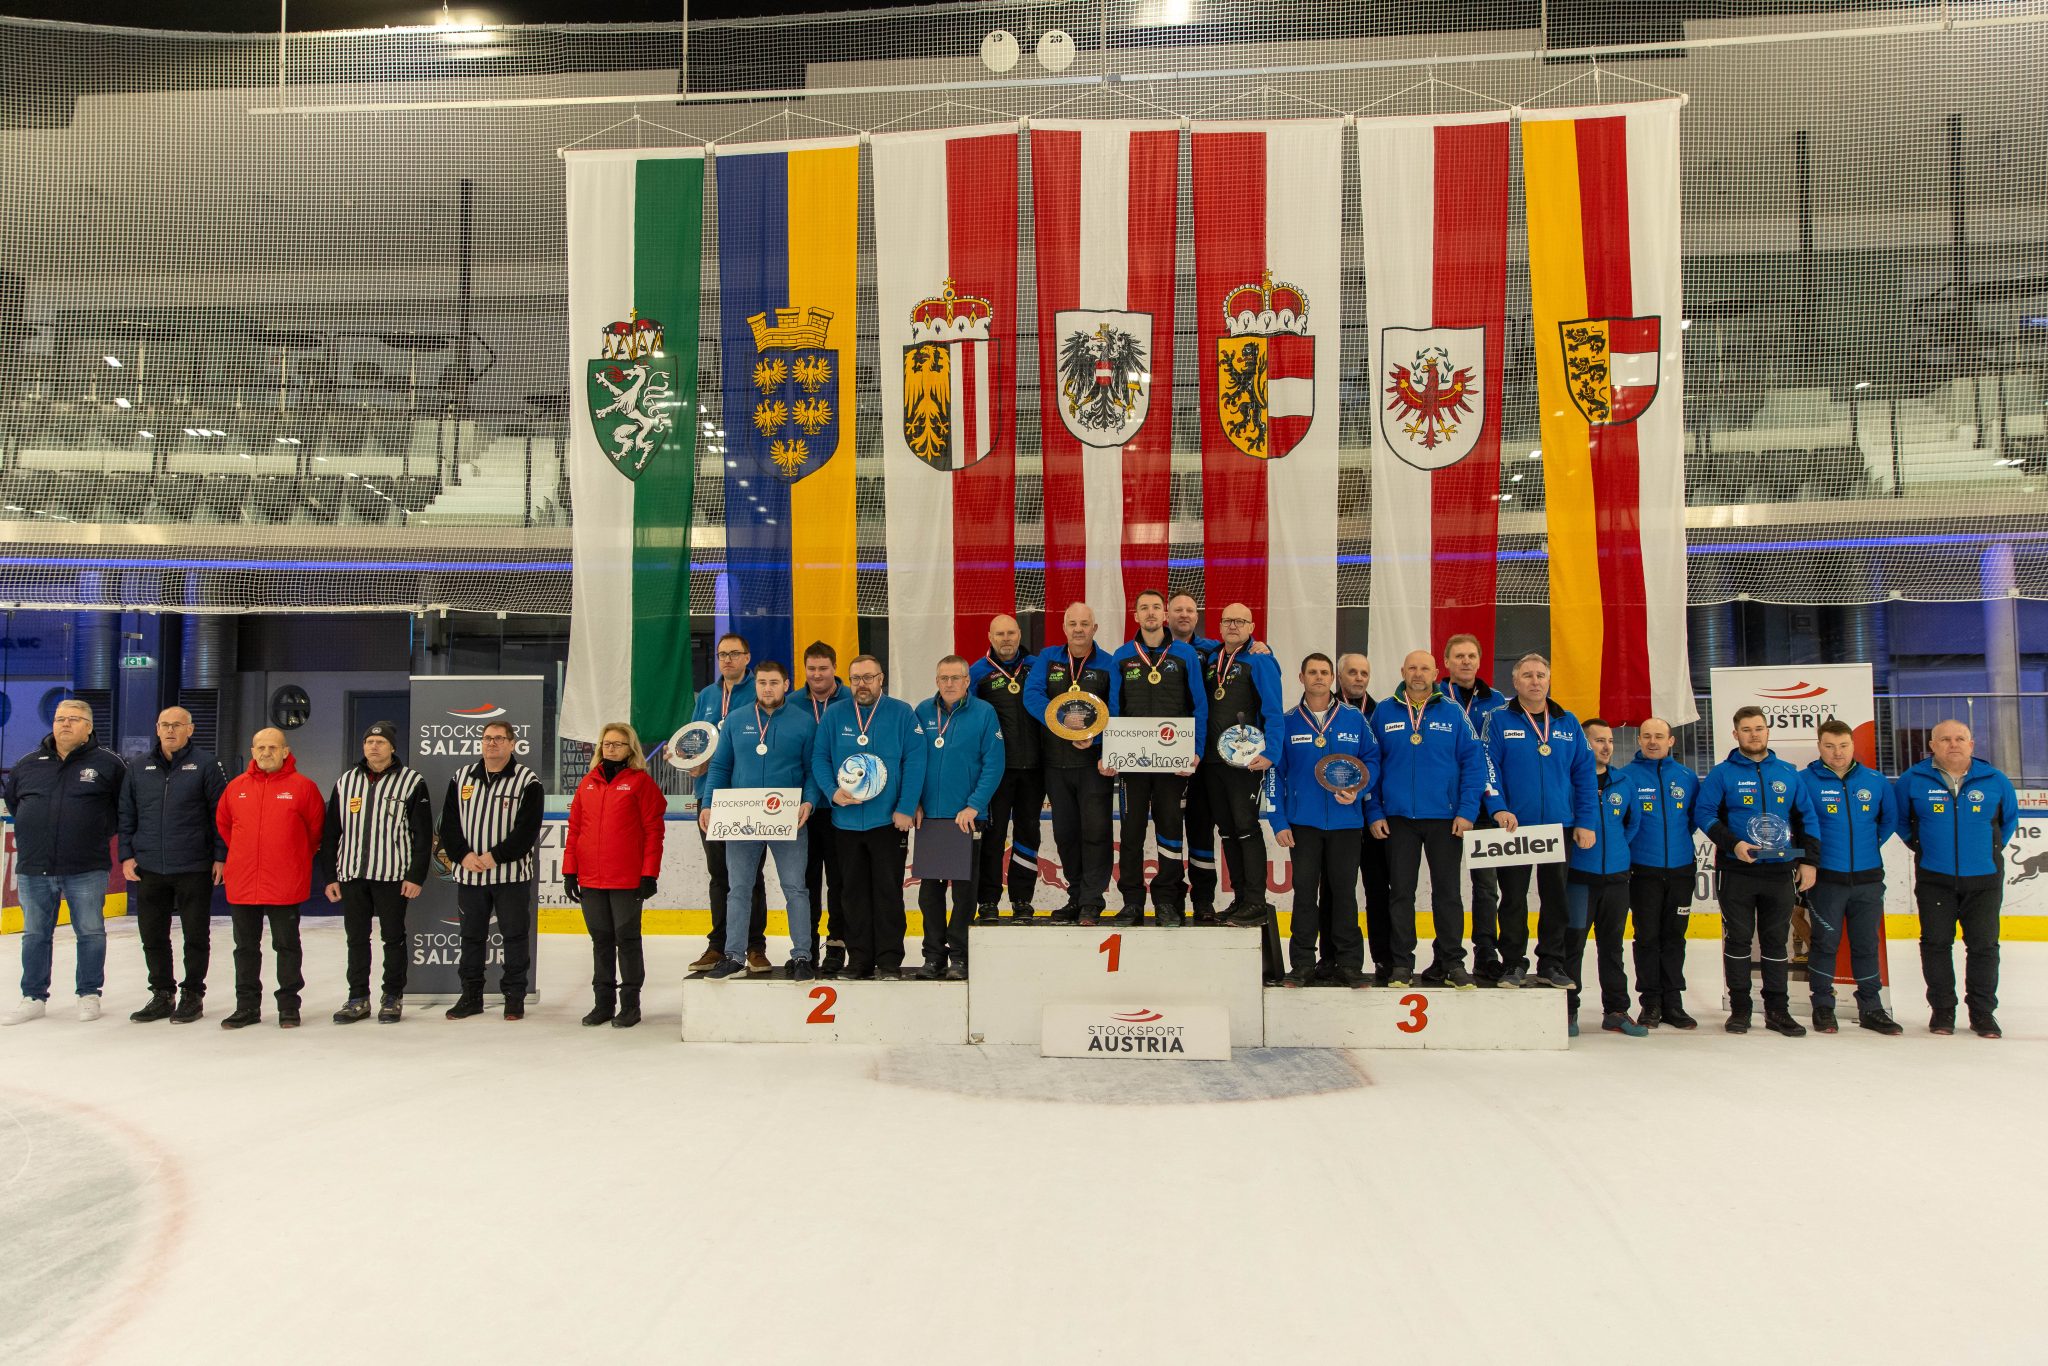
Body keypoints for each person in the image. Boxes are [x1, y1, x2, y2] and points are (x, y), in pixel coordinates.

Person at [1696, 705, 1822, 1037]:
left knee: (1776, 942)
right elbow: (1704, 814)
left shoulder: (1788, 773)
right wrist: (1733, 844)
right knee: (1738, 940)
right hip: (1736, 870)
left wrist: (1809, 861)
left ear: (1767, 731)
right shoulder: (1722, 774)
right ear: (1735, 734)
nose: (1754, 735)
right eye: (1747, 729)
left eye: (1759, 728)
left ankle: (1778, 1011)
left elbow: (1807, 818)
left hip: (1779, 871)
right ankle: (1740, 1009)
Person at [1, 699, 127, 1026]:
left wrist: (94, 831)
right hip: (34, 866)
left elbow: (124, 809)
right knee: (34, 934)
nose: (65, 724)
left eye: (73, 719)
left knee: (90, 931)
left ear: (89, 727)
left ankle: (88, 993)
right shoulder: (28, 763)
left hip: (86, 865)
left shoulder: (109, 763)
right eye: (60, 719)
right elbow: (16, 804)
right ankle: (33, 997)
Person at [1476, 653, 1596, 990]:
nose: (1535, 681)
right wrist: (1498, 808)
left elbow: (1585, 775)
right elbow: (1488, 766)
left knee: (1556, 897)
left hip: (1559, 826)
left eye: (1541, 675)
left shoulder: (1568, 722)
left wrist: (1586, 821)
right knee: (1513, 898)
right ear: (1515, 682)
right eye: (1527, 675)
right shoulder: (1498, 719)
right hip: (1514, 827)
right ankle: (1513, 962)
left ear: (1549, 680)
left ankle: (1551, 963)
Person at [1367, 651, 1486, 989]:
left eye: (1424, 668)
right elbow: (1371, 764)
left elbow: (1474, 763)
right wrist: (1374, 811)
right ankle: (1401, 965)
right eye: (1412, 668)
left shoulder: (1453, 712)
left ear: (1436, 672)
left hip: (1445, 819)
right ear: (1402, 671)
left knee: (1448, 894)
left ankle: (1453, 963)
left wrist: (1466, 811)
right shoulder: (1383, 712)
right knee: (1400, 894)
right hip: (1398, 819)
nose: (1418, 674)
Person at [1896, 719, 2018, 1038]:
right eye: (1945, 739)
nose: (1953, 744)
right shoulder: (1912, 780)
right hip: (1934, 878)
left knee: (1984, 947)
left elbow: (2008, 822)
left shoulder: (1995, 779)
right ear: (1932, 745)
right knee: (1935, 944)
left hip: (1984, 879)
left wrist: (1985, 851)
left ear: (1971, 745)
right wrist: (1924, 847)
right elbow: (1900, 821)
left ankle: (1982, 1014)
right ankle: (1942, 1011)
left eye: (1960, 739)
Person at [700, 661, 819, 981]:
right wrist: (709, 804)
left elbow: (813, 770)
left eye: (774, 682)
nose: (767, 688)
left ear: (786, 685)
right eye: (762, 682)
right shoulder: (736, 720)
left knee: (795, 888)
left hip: (788, 818)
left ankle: (802, 955)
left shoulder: (804, 722)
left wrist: (809, 801)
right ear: (756, 685)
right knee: (738, 888)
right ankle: (733, 956)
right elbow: (720, 767)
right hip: (743, 817)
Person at [811, 654, 927, 978]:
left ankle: (889, 960)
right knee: (852, 893)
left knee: (888, 891)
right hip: (845, 822)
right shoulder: (835, 715)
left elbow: (915, 761)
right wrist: (831, 791)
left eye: (868, 677)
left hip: (888, 822)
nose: (862, 684)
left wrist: (906, 807)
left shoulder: (902, 713)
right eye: (855, 679)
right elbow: (819, 757)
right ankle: (859, 959)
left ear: (881, 679)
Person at [1269, 654, 1378, 988]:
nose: (1319, 677)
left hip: (1346, 823)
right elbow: (1274, 774)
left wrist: (1359, 791)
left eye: (1324, 672)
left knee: (1344, 894)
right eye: (1312, 672)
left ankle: (1350, 964)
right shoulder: (1287, 721)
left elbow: (1373, 760)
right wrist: (1279, 821)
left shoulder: (1354, 718)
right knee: (1304, 895)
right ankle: (1302, 964)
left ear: (1333, 678)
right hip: (1303, 824)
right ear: (1301, 677)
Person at [117, 706, 226, 1025]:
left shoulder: (206, 764)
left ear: (190, 730)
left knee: (195, 935)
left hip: (194, 865)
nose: (170, 730)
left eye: (177, 725)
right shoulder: (139, 766)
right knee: (153, 935)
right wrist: (126, 854)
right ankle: (162, 993)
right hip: (149, 866)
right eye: (164, 725)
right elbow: (127, 813)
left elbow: (221, 814)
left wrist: (221, 855)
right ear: (157, 728)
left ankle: (193, 994)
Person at [318, 721, 432, 1025]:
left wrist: (416, 875)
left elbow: (423, 835)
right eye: (369, 741)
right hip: (352, 874)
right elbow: (331, 833)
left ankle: (392, 996)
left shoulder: (412, 782)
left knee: (393, 938)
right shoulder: (346, 782)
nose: (374, 746)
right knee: (356, 938)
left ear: (392, 747)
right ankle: (357, 997)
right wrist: (330, 876)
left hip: (392, 875)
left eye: (380, 742)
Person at [1105, 589, 1207, 925]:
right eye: (1144, 608)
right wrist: (1111, 751)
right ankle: (1132, 902)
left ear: (1164, 614)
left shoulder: (1185, 654)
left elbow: (1199, 706)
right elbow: (1114, 709)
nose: (1150, 613)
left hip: (1172, 762)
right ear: (1135, 615)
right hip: (1132, 762)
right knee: (1131, 832)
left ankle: (1166, 900)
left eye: (1156, 607)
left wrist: (1196, 751)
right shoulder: (1122, 656)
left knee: (1170, 829)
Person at [1798, 719, 1904, 1035]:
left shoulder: (1875, 781)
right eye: (1830, 746)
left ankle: (1871, 1008)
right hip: (1826, 881)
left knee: (1866, 944)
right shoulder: (1803, 781)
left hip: (1868, 880)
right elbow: (1798, 824)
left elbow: (1889, 821)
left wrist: (1865, 847)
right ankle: (1822, 1007)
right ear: (1819, 746)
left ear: (1852, 745)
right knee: (1825, 943)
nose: (1837, 752)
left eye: (1843, 745)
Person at [214, 727, 323, 1030]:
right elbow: (225, 826)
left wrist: (292, 856)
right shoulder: (236, 788)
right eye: (260, 747)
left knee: (286, 945)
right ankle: (246, 1007)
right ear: (252, 752)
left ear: (286, 751)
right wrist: (245, 854)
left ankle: (288, 1007)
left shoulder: (304, 787)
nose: (266, 753)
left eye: (273, 747)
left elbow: (315, 832)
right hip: (243, 881)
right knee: (244, 948)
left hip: (284, 881)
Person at [438, 719, 545, 1022]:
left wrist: (494, 857)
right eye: (487, 738)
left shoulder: (528, 781)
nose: (492, 743)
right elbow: (449, 824)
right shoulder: (461, 777)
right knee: (471, 938)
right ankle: (471, 996)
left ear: (512, 744)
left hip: (510, 877)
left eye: (499, 738)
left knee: (515, 937)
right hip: (470, 875)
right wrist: (463, 855)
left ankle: (514, 997)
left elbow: (527, 831)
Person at [566, 721, 667, 1024]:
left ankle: (630, 1005)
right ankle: (603, 1004)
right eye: (606, 743)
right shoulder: (587, 783)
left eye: (618, 744)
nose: (611, 749)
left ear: (630, 749)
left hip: (627, 878)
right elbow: (575, 830)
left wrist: (649, 874)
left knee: (627, 939)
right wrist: (570, 871)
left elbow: (653, 832)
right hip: (591, 878)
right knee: (600, 940)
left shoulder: (641, 783)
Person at [1023, 604, 1116, 926]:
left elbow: (1116, 707)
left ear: (1095, 628)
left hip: (1093, 765)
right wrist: (1062, 723)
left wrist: (1096, 737)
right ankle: (1075, 895)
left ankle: (1092, 900)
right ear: (1064, 627)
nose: (1079, 629)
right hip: (1055, 764)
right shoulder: (1048, 658)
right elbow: (1032, 696)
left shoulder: (1109, 663)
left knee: (1096, 832)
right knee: (1065, 834)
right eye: (1073, 623)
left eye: (1085, 624)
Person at [914, 655, 1004, 978]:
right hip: (930, 819)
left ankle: (960, 957)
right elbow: (912, 759)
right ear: (937, 681)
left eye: (956, 678)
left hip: (965, 818)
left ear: (967, 681)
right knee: (929, 894)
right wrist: (914, 802)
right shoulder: (923, 712)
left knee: (964, 893)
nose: (950, 683)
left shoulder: (984, 713)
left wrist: (974, 805)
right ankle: (933, 955)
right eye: (944, 678)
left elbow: (994, 763)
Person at [684, 632, 768, 976]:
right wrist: (691, 761)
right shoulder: (707, 695)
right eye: (722, 654)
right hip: (710, 797)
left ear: (747, 657)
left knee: (751, 875)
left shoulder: (760, 690)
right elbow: (694, 741)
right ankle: (717, 945)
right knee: (719, 875)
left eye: (734, 653)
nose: (727, 660)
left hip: (748, 798)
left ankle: (755, 946)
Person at [1200, 603, 1285, 945]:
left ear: (1251, 626)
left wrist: (1271, 753)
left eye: (1240, 621)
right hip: (1212, 760)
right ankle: (1239, 898)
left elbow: (1274, 710)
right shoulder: (1211, 659)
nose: (1233, 625)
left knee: (1246, 827)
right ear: (1220, 626)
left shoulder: (1260, 660)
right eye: (1227, 620)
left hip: (1246, 759)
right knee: (1227, 830)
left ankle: (1256, 901)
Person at [1565, 719, 1646, 1037]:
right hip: (1579, 880)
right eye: (1598, 740)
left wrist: (1616, 851)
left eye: (1609, 740)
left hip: (1616, 880)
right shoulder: (1569, 780)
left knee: (1612, 948)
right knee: (1573, 946)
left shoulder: (1624, 782)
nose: (1606, 746)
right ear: (1584, 744)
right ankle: (1568, 1009)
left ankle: (1616, 1010)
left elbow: (1632, 824)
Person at [1622, 717, 1701, 1029]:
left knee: (1674, 937)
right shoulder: (1626, 777)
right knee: (1647, 937)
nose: (1652, 741)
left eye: (1659, 736)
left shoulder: (1687, 777)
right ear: (1639, 740)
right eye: (1646, 736)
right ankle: (1651, 1002)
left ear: (1671, 741)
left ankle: (1673, 1002)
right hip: (1643, 870)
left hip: (1681, 869)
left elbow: (1692, 820)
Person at [1441, 633, 1510, 982]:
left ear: (1480, 661)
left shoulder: (1497, 702)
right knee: (1446, 887)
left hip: (1484, 811)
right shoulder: (1435, 698)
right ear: (1447, 662)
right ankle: (1445, 956)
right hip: (1446, 809)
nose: (1466, 661)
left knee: (1486, 887)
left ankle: (1485, 952)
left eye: (1471, 655)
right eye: (1459, 656)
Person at [967, 614, 1042, 924]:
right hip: (996, 772)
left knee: (1028, 834)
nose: (1006, 638)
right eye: (1000, 634)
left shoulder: (1037, 666)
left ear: (1019, 634)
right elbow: (970, 721)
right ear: (990, 636)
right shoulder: (977, 672)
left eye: (1011, 632)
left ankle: (1022, 899)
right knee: (993, 836)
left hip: (1035, 768)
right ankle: (988, 900)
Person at [1328, 653, 1393, 983]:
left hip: (1373, 818)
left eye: (1363, 673)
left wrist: (1374, 806)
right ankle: (1330, 958)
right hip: (1337, 817)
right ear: (1340, 677)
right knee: (1334, 890)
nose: (1358, 678)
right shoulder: (1323, 711)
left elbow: (1380, 764)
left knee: (1378, 890)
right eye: (1352, 672)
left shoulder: (1380, 713)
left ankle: (1384, 959)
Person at [798, 641, 850, 969]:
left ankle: (837, 942)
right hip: (803, 809)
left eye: (823, 668)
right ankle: (806, 946)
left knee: (839, 879)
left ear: (834, 668)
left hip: (842, 807)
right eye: (812, 668)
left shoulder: (852, 701)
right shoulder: (792, 703)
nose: (817, 674)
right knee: (805, 881)